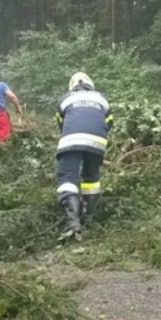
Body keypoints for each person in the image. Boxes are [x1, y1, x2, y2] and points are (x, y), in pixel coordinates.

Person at [55, 72, 113, 241]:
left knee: (67, 179)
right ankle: (88, 217)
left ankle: (73, 223)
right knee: (91, 180)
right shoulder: (102, 98)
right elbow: (109, 122)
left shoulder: (66, 98)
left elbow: (61, 122)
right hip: (98, 142)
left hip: (72, 139)